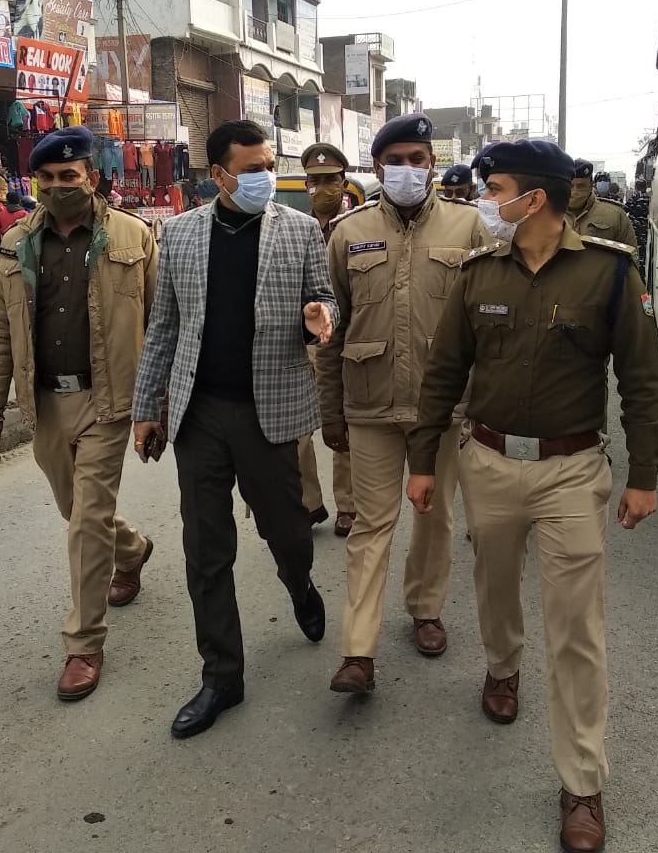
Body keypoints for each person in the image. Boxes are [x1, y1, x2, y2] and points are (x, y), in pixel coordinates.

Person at [406, 140, 658, 853]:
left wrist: (645, 473)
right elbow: (444, 369)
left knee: (577, 625)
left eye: (496, 189)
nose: (487, 201)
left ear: (536, 200)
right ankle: (502, 666)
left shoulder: (609, 273)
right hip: (487, 462)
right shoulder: (479, 271)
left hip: (571, 471)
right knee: (494, 587)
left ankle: (582, 782)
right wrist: (423, 458)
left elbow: (643, 380)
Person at [131, 119, 339, 739]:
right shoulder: (182, 233)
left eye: (268, 164)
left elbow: (327, 301)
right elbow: (163, 325)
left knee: (287, 530)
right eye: (251, 169)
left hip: (268, 411)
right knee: (206, 549)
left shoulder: (298, 230)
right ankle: (223, 674)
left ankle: (299, 583)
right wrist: (149, 407)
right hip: (200, 414)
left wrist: (318, 318)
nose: (264, 177)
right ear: (218, 174)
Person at [0, 126, 158, 702]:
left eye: (69, 177)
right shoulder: (15, 245)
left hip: (109, 401)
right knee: (74, 508)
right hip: (46, 402)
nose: (58, 188)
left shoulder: (134, 237)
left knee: (85, 521)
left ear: (92, 177)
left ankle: (83, 645)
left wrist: (157, 404)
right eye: (48, 179)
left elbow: (160, 324)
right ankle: (132, 550)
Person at [317, 112, 489, 696]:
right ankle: (358, 651)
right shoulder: (347, 232)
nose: (408, 170)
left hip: (444, 410)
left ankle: (425, 609)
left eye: (419, 160)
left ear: (433, 166)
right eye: (397, 160)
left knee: (434, 518)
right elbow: (331, 328)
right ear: (376, 167)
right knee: (372, 525)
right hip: (370, 407)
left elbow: (489, 326)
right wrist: (330, 408)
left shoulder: (470, 229)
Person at [295, 141, 356, 538]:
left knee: (343, 427)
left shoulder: (358, 228)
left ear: (344, 182)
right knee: (296, 431)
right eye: (315, 181)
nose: (323, 188)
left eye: (330, 180)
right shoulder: (294, 228)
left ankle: (348, 505)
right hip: (301, 346)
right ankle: (308, 503)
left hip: (346, 342)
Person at [568, 159, 636, 249]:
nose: (575, 191)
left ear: (591, 185)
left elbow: (630, 254)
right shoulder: (552, 213)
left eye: (581, 186)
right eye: (571, 185)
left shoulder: (615, 215)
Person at [624, 177, 650, 273]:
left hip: (635, 230)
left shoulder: (634, 198)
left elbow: (624, 210)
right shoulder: (649, 197)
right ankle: (642, 272)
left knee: (635, 251)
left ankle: (635, 271)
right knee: (644, 252)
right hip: (645, 229)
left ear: (636, 187)